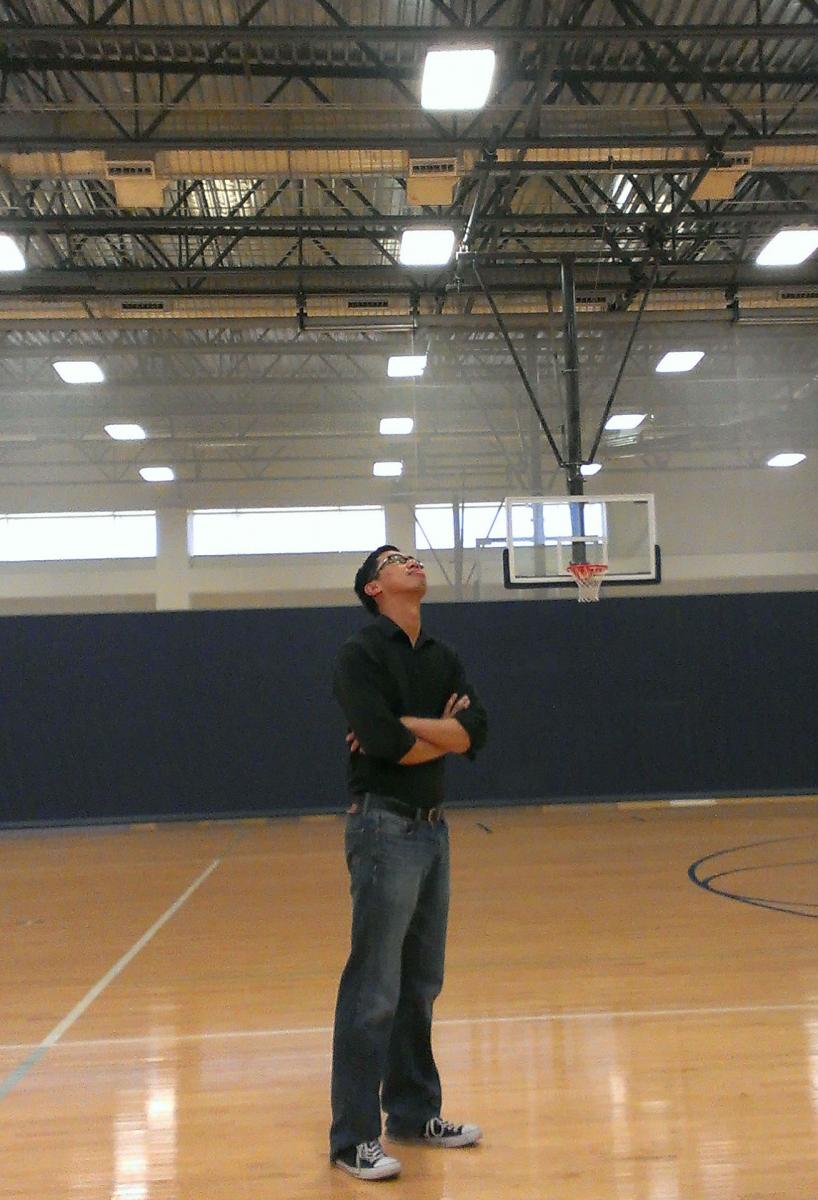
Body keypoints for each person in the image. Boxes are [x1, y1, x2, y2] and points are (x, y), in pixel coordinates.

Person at [329, 544, 488, 1181]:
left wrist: (415, 732)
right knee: (374, 990)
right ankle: (352, 1138)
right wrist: (436, 734)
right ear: (374, 588)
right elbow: (388, 746)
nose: (412, 562)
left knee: (420, 984)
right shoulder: (358, 655)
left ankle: (415, 1113)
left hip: (433, 832)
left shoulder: (445, 656)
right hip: (382, 828)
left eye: (413, 556)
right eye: (396, 560)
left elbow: (478, 731)